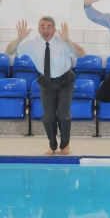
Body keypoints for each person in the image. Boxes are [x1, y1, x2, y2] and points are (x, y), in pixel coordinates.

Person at [5, 18, 86, 155]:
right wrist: (19, 39)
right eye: (43, 27)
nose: (45, 30)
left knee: (63, 114)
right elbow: (8, 52)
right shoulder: (32, 44)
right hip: (46, 82)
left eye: (49, 27)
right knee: (48, 116)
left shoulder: (62, 42)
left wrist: (68, 41)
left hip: (65, 81)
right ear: (39, 30)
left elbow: (82, 54)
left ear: (54, 30)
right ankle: (52, 145)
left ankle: (65, 144)